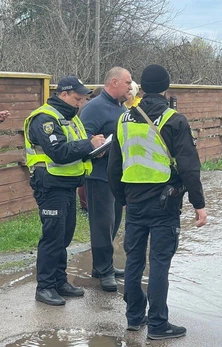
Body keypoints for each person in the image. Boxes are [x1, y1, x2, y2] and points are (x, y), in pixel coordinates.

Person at [107, 64, 207, 340]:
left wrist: (122, 198)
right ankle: (159, 324)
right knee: (159, 262)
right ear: (166, 87)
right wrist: (199, 204)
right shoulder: (174, 119)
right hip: (165, 203)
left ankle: (134, 317)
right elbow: (189, 167)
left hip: (134, 201)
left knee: (134, 261)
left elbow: (114, 167)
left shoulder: (123, 119)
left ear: (141, 87)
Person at [23, 76, 106, 306]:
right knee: (52, 237)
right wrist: (89, 144)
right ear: (64, 94)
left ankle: (59, 281)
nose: (80, 104)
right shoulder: (45, 118)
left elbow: (75, 148)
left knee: (64, 235)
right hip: (50, 185)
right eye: (77, 99)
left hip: (66, 184)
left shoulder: (69, 118)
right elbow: (58, 151)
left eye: (82, 99)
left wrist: (93, 149)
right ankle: (45, 287)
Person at [80, 67, 133, 292]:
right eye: (128, 82)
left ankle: (103, 265)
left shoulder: (120, 107)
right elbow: (82, 136)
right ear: (114, 82)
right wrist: (95, 142)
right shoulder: (94, 107)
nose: (131, 87)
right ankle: (104, 271)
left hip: (117, 176)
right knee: (102, 225)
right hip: (99, 175)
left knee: (113, 223)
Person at [77, 87, 103, 213]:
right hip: (89, 147)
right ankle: (85, 206)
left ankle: (84, 205)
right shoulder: (91, 108)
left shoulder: (84, 106)